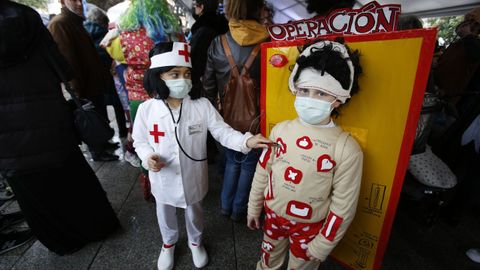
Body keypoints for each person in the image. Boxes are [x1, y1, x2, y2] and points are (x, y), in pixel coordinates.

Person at [132, 41, 271, 270]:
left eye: (186, 74)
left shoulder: (201, 105)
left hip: (193, 175)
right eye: (174, 74)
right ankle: (168, 243)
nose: (182, 80)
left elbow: (222, 132)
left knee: (194, 209)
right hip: (162, 176)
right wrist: (148, 157)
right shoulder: (148, 110)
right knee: (164, 210)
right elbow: (139, 141)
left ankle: (196, 241)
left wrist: (246, 140)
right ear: (158, 76)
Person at [0, 0, 119, 255]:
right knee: (73, 179)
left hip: (8, 138)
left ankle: (64, 241)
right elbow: (60, 64)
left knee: (36, 194)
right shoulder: (26, 17)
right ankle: (97, 227)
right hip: (49, 117)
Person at [247, 40, 363, 270]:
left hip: (311, 229)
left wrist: (323, 244)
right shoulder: (279, 130)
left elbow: (343, 206)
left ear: (339, 98)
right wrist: (253, 206)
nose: (310, 99)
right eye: (304, 90)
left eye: (321, 92)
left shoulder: (346, 149)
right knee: (268, 261)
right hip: (273, 217)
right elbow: (263, 171)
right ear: (294, 88)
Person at [203, 0, 269, 222]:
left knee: (232, 160)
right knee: (250, 163)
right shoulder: (270, 42)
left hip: (226, 117)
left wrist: (214, 116)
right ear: (258, 9)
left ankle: (225, 206)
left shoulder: (217, 42)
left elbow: (209, 85)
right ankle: (240, 210)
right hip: (257, 118)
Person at [48, 0, 119, 161]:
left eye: (80, 0)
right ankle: (97, 151)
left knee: (99, 114)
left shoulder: (74, 21)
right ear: (63, 2)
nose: (79, 3)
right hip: (83, 84)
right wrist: (75, 88)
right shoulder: (60, 23)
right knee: (90, 117)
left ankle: (104, 144)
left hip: (92, 81)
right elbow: (68, 59)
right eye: (74, 0)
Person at [84, 4, 128, 138]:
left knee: (98, 106)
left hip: (92, 77)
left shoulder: (83, 32)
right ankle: (123, 131)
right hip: (110, 75)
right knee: (118, 105)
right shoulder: (106, 35)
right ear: (103, 22)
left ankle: (105, 135)